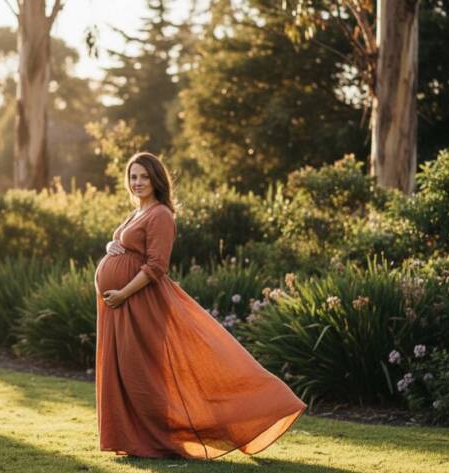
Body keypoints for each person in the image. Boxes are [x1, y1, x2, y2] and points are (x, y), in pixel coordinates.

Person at [94, 151, 306, 460]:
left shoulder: (161, 214)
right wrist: (111, 245)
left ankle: (163, 439)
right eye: (133, 176)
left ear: (157, 179)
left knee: (142, 373)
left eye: (143, 176)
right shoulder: (139, 212)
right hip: (120, 305)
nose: (137, 182)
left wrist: (124, 292)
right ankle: (134, 438)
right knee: (124, 370)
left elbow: (156, 266)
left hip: (141, 304)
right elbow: (128, 247)